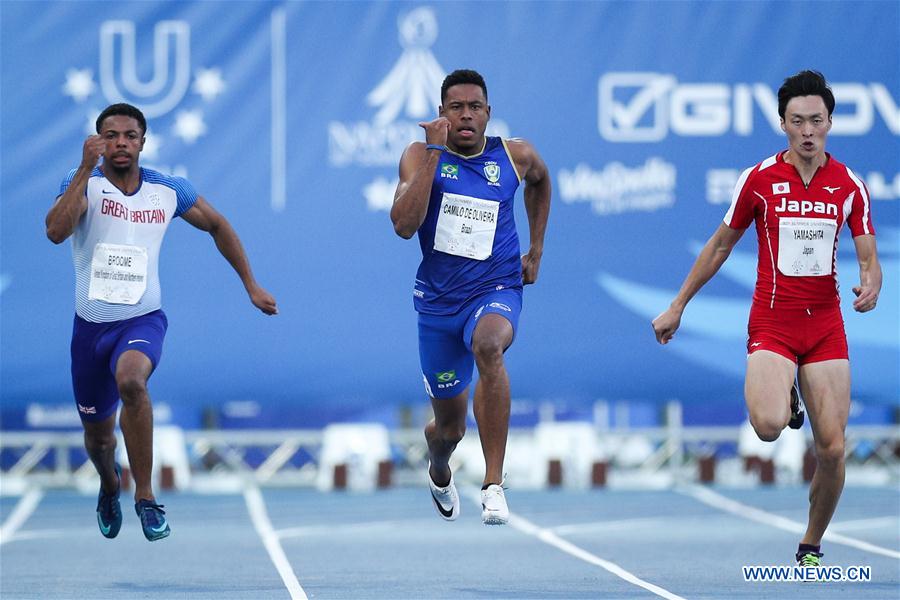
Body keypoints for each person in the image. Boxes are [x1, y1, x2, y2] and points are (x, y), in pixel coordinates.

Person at [652, 71, 880, 565]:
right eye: (797, 121)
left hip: (824, 326)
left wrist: (872, 282)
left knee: (834, 449)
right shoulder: (759, 180)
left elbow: (868, 255)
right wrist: (678, 305)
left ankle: (811, 543)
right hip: (773, 323)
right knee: (769, 426)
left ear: (829, 123)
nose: (807, 131)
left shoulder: (849, 186)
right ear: (783, 124)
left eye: (816, 121)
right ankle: (786, 391)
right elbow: (718, 247)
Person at [46, 103, 277, 542]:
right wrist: (81, 169)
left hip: (142, 320)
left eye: (129, 135)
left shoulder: (167, 190)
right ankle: (110, 484)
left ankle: (146, 497)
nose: (120, 143)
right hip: (90, 331)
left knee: (133, 382)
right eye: (110, 135)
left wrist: (251, 284)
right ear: (98, 141)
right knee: (98, 442)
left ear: (142, 142)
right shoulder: (84, 186)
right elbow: (56, 231)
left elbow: (217, 225)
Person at [391, 69, 551, 525]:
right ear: (442, 113)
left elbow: (540, 182)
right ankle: (439, 466)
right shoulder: (420, 155)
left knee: (489, 346)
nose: (465, 115)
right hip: (439, 306)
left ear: (487, 113)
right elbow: (403, 225)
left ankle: (493, 484)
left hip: (496, 288)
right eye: (455, 107)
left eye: (474, 107)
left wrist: (535, 249)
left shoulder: (514, 155)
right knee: (449, 430)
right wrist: (434, 154)